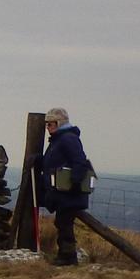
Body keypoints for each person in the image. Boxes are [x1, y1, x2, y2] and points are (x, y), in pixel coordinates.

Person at [36, 107, 94, 266]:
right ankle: (66, 256)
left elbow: (79, 161)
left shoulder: (67, 138)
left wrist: (75, 182)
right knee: (63, 222)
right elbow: (54, 162)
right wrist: (38, 161)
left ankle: (67, 257)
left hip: (68, 191)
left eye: (51, 124)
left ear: (59, 123)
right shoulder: (59, 139)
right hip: (62, 191)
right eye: (47, 124)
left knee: (64, 222)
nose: (48, 127)